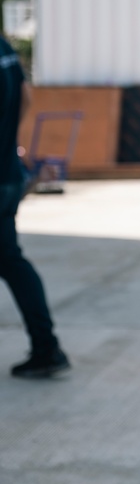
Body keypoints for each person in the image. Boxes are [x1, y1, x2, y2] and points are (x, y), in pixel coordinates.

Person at [0, 34, 71, 378]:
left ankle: (46, 347)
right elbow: (26, 97)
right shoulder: (4, 48)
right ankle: (46, 347)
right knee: (11, 260)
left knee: (11, 260)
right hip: (8, 175)